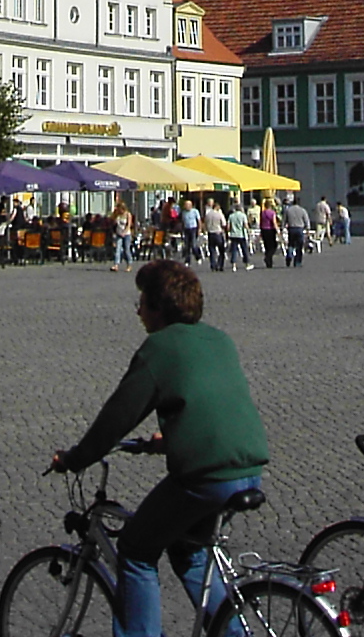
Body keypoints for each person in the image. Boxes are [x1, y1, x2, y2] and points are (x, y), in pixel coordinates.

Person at [48, 261, 270, 637]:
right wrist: (169, 441)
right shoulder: (218, 338)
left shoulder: (159, 348)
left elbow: (115, 420)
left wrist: (74, 458)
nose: (138, 311)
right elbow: (212, 406)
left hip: (207, 476)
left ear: (158, 307)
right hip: (248, 466)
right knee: (188, 551)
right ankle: (233, 634)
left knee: (135, 551)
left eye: (142, 302)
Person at [282, 196, 309, 267]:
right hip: (300, 229)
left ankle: (289, 255)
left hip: (291, 228)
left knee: (291, 244)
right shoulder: (302, 210)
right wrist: (307, 229)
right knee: (299, 246)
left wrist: (283, 227)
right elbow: (306, 220)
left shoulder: (288, 210)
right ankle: (297, 262)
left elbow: (284, 220)